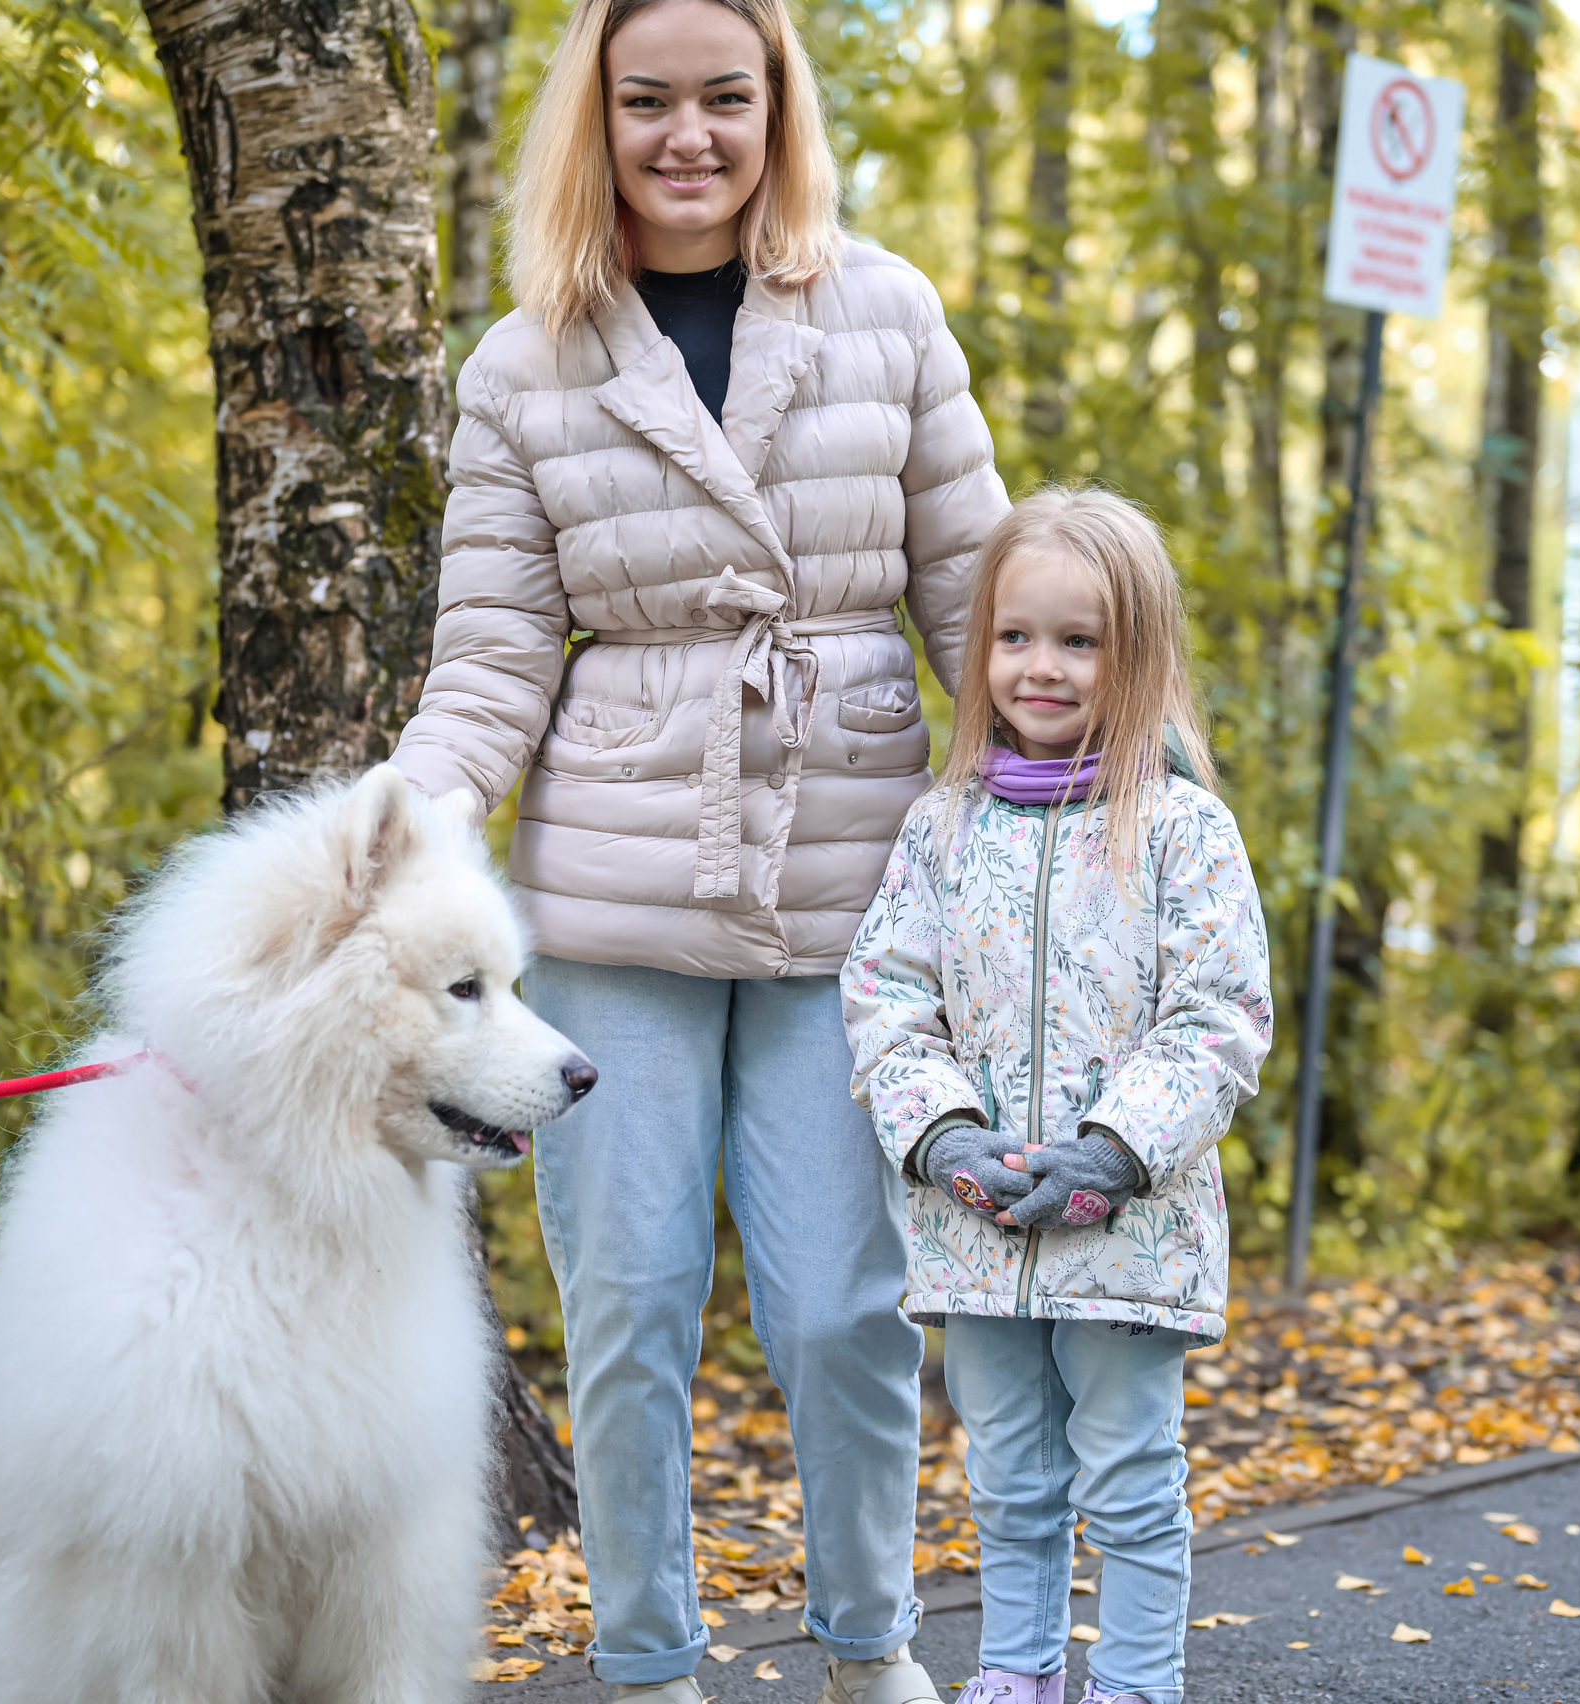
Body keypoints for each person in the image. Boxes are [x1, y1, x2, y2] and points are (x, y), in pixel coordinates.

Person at [383, 0, 1008, 1692]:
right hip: (611, 903)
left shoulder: (886, 308)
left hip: (856, 892)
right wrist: (398, 825)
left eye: (726, 98)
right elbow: (493, 661)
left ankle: (871, 1646)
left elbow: (979, 594)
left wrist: (1114, 776)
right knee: (632, 1309)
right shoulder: (526, 359)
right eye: (647, 101)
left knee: (840, 1309)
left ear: (777, 105)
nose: (689, 137)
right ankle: (650, 1659)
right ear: (598, 114)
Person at [843, 488, 1274, 1704]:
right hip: (977, 1224)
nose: (1042, 666)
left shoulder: (1182, 829)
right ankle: (1016, 1675)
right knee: (1010, 1472)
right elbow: (885, 995)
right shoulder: (940, 828)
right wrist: (944, 1138)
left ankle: (1135, 1683)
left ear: (1133, 656)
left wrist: (1109, 1152)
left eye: (1079, 641)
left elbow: (1219, 1013)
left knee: (1130, 1469)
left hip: (1129, 1227)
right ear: (979, 647)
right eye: (1016, 636)